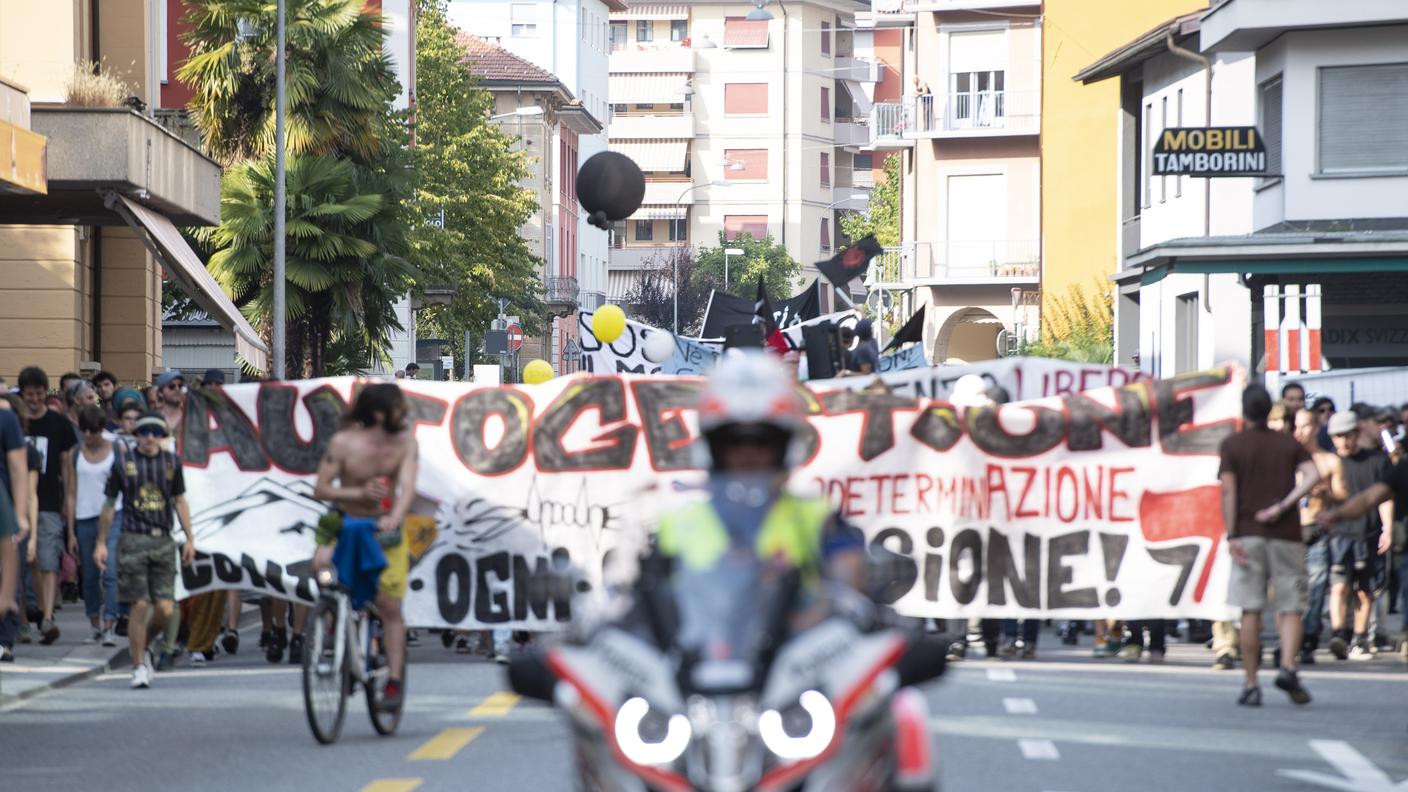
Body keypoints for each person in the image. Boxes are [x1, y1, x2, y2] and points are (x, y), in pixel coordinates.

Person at [642, 351, 867, 631]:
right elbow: (641, 607)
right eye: (733, 442)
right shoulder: (675, 524)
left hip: (801, 661)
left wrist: (827, 611)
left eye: (763, 441)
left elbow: (851, 583)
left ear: (785, 446)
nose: (748, 455)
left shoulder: (819, 519)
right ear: (713, 447)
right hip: (693, 660)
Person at [312, 383, 418, 710]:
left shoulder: (405, 445)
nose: (405, 414)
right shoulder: (343, 443)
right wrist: (356, 495)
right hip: (345, 523)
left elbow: (408, 488)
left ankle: (394, 680)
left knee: (388, 605)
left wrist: (394, 517)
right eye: (398, 408)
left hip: (382, 530)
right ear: (379, 413)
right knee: (321, 566)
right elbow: (322, 488)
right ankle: (334, 628)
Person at [1218, 383, 1319, 707]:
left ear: (1244, 410)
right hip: (1286, 534)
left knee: (1251, 609)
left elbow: (1228, 491)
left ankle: (1251, 683)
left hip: (1248, 533)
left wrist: (1232, 532)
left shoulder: (1233, 445)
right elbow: (1313, 474)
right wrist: (1284, 505)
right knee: (1290, 607)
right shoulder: (1288, 445)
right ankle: (1288, 665)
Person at [95, 413, 195, 689]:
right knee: (139, 605)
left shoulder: (172, 463)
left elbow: (180, 501)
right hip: (133, 538)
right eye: (144, 431)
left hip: (162, 539)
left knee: (164, 609)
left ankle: (145, 646)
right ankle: (138, 665)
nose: (150, 437)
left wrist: (189, 538)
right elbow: (108, 505)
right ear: (136, 434)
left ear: (163, 437)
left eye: (155, 432)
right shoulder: (124, 463)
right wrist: (102, 542)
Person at [1320, 411, 1391, 661]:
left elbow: (1385, 496)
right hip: (1338, 534)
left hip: (1368, 533)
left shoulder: (1376, 461)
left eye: (1347, 435)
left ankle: (1359, 638)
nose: (1344, 441)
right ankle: (1339, 635)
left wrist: (1388, 528)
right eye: (1338, 436)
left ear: (1356, 433)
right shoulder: (1328, 462)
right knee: (1338, 586)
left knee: (1363, 589)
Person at [18, 367, 77, 645]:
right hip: (17, 501)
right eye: (30, 395)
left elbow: (67, 467)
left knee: (47, 560)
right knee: (21, 564)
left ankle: (47, 615)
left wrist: (68, 502)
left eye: (40, 394)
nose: (35, 400)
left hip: (50, 501)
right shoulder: (14, 423)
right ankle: (25, 618)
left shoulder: (58, 424)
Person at [1294, 408, 1347, 665]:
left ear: (1316, 428)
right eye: (1296, 426)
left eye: (1304, 426)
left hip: (1317, 531)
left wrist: (1325, 494)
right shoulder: (1287, 459)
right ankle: (1291, 639)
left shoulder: (1329, 461)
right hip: (1290, 531)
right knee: (1291, 590)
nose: (1299, 432)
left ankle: (1308, 639)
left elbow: (1342, 495)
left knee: (1316, 590)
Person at [70, 405, 121, 646]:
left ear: (102, 429)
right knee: (89, 576)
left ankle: (110, 622)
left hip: (114, 514)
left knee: (109, 571)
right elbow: (70, 493)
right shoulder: (75, 454)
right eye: (84, 430)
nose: (88, 435)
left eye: (93, 430)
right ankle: (94, 625)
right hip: (84, 516)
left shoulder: (116, 450)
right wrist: (70, 530)